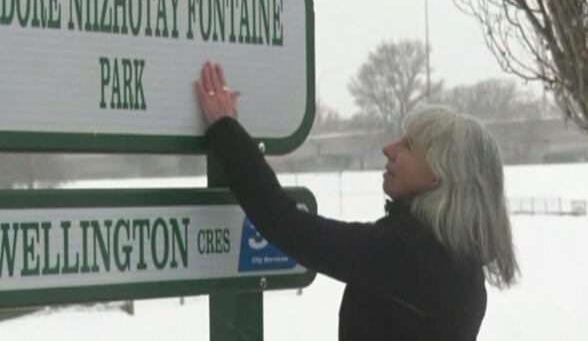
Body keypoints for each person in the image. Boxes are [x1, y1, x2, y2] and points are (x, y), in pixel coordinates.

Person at [194, 61, 518, 341]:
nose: (389, 148)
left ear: (437, 175)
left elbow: (285, 223)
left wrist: (226, 129)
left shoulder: (407, 254)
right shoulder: (462, 265)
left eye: (408, 145)